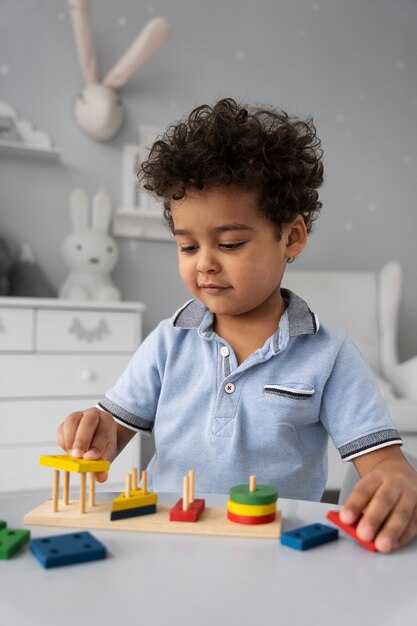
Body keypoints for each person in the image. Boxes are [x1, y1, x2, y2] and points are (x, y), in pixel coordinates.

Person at [57, 97, 417, 552]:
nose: (204, 264)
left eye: (229, 244)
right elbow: (116, 425)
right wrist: (100, 432)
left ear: (291, 237)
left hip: (271, 550)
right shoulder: (169, 342)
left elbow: (384, 463)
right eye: (188, 247)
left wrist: (398, 481)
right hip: (164, 542)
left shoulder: (330, 355)